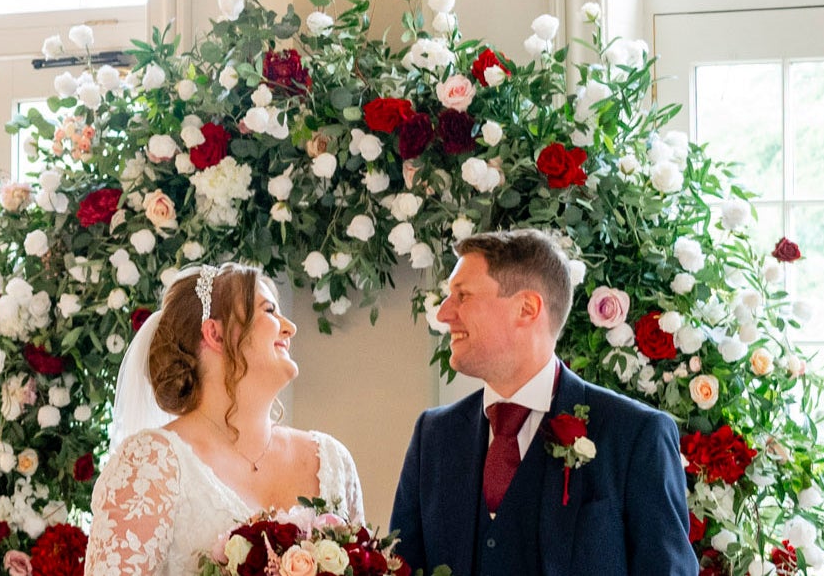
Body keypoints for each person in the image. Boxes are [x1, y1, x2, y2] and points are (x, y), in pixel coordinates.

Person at [390, 229, 697, 576]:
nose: (444, 313)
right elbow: (402, 566)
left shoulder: (635, 435)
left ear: (526, 308)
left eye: (462, 296)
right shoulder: (434, 435)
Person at [85, 262, 366, 576]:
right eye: (270, 311)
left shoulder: (331, 460)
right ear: (215, 334)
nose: (289, 328)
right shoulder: (150, 464)